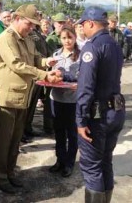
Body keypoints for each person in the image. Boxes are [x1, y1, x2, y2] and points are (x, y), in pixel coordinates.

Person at [0, 4, 62, 194]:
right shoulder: (6, 37)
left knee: (16, 139)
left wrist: (47, 62)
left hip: (24, 94)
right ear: (16, 19)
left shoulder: (27, 38)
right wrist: (43, 75)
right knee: (5, 139)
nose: (31, 28)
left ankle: (10, 172)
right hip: (8, 96)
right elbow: (16, 64)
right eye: (28, 24)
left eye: (33, 25)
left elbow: (36, 58)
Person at [75, 6, 125, 203]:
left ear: (90, 23)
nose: (81, 28)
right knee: (105, 163)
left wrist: (80, 120)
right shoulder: (114, 44)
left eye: (83, 24)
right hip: (116, 111)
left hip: (98, 117)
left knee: (92, 167)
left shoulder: (92, 46)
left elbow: (86, 88)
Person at [49, 25, 80, 178]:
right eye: (64, 38)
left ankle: (69, 163)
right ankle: (60, 160)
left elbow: (82, 77)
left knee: (72, 133)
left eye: (70, 37)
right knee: (59, 131)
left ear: (75, 38)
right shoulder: (56, 55)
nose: (67, 41)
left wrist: (66, 77)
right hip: (57, 98)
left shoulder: (81, 56)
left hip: (73, 100)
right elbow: (51, 74)